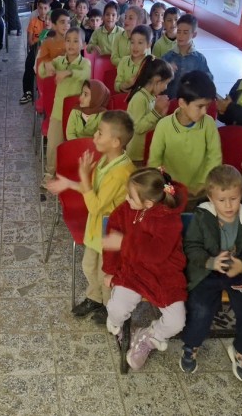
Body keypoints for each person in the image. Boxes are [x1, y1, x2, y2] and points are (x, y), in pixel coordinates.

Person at [47, 111, 136, 324]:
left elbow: (95, 206)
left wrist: (83, 177)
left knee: (106, 271)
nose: (94, 136)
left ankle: (108, 305)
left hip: (110, 232)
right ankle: (94, 297)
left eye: (100, 133)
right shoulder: (105, 160)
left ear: (115, 142)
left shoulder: (121, 173)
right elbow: (92, 190)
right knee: (89, 266)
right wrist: (69, 183)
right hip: (96, 228)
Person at [180, 165, 242, 382]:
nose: (228, 205)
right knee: (200, 309)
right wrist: (211, 262)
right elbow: (191, 247)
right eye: (222, 200)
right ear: (211, 198)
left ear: (241, 193)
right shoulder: (202, 216)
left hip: (237, 272)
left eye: (234, 199)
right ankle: (191, 346)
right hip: (207, 271)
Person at [103, 168, 188, 370]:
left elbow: (155, 253)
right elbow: (112, 240)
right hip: (133, 270)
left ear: (149, 203)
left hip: (164, 274)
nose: (126, 199)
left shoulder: (169, 220)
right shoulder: (124, 210)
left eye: (131, 196)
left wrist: (124, 242)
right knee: (116, 310)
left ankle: (149, 337)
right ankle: (122, 330)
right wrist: (110, 270)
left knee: (177, 321)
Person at [147, 71, 221, 200]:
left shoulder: (208, 123)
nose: (204, 111)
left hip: (200, 190)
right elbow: (155, 162)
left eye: (207, 106)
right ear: (182, 103)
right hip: (171, 189)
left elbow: (215, 157)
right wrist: (167, 187)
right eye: (200, 106)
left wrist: (203, 184)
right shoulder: (164, 125)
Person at [38, 27, 91, 185]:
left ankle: (77, 174)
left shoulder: (85, 63)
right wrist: (46, 65)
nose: (71, 44)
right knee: (53, 145)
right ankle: (50, 172)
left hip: (78, 113)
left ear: (83, 45)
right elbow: (41, 72)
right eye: (68, 41)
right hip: (58, 112)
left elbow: (85, 74)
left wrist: (68, 72)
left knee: (77, 144)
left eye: (75, 41)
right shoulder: (59, 61)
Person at [124, 57, 173, 162]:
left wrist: (161, 114)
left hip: (147, 150)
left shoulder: (152, 97)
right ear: (157, 80)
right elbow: (138, 128)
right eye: (166, 83)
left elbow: (152, 123)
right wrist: (156, 112)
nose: (166, 87)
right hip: (137, 155)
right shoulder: (139, 98)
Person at [162, 14, 212, 99]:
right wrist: (166, 70)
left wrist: (196, 79)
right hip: (169, 101)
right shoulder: (168, 56)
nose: (180, 36)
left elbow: (208, 80)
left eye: (185, 32)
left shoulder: (199, 59)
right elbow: (156, 78)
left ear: (194, 34)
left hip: (189, 103)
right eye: (179, 31)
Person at [19, 0, 50, 104]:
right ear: (37, 8)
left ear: (49, 9)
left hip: (49, 50)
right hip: (36, 48)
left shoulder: (52, 23)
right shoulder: (33, 22)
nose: (43, 11)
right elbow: (30, 42)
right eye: (40, 8)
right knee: (29, 64)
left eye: (45, 8)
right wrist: (42, 36)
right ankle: (28, 92)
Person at [115, 25, 153, 93]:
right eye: (132, 42)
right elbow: (116, 85)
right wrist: (123, 85)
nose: (135, 46)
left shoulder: (152, 63)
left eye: (140, 43)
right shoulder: (124, 61)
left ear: (148, 45)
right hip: (125, 97)